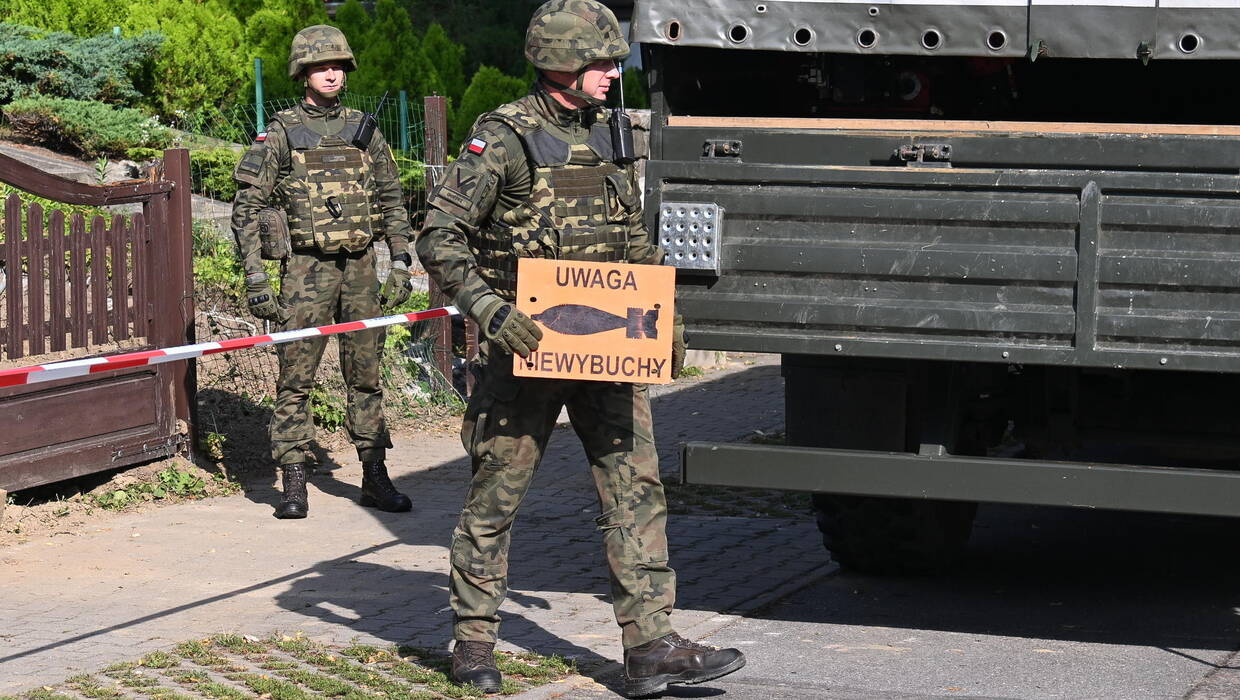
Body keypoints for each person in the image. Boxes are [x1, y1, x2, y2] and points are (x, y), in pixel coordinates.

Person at [415, 1, 746, 696]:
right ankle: (473, 641)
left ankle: (651, 644)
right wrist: (489, 311)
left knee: (636, 490)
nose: (612, 73)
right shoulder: (501, 138)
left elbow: (632, 239)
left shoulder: (611, 133)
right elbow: (438, 236)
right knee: (494, 496)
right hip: (526, 350)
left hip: (610, 351)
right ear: (562, 64)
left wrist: (665, 316)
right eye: (600, 62)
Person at [230, 25, 415, 519]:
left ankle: (374, 476)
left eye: (338, 66)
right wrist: (256, 277)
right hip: (305, 270)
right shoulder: (282, 132)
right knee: (296, 376)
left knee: (367, 376)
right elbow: (248, 208)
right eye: (321, 66)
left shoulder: (364, 129)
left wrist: (400, 261)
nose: (332, 73)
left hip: (360, 267)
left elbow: (393, 198)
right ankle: (293, 482)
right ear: (303, 73)